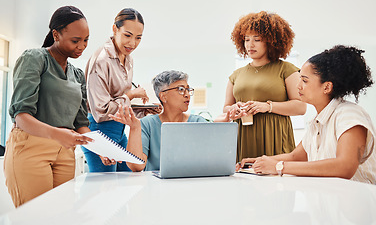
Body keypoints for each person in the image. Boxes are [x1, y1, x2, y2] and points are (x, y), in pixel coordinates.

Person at [237, 45, 376, 184]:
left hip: (358, 200)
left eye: (304, 80)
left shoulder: (349, 115)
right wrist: (260, 161)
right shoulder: (317, 122)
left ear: (327, 87)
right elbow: (295, 157)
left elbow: (344, 167)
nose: (298, 86)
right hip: (332, 200)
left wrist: (278, 166)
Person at [4, 6, 92, 207]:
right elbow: (21, 116)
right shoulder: (35, 59)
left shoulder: (77, 74)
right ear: (56, 35)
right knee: (36, 216)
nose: (82, 46)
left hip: (65, 151)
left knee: (62, 215)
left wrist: (100, 149)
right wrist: (58, 134)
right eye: (75, 40)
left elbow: (80, 123)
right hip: (31, 147)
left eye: (86, 40)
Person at [109, 70, 234, 171]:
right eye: (180, 89)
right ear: (163, 96)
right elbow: (136, 166)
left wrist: (219, 124)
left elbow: (214, 157)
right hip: (155, 189)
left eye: (188, 89)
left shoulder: (197, 122)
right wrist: (135, 128)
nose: (187, 94)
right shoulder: (147, 124)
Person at [224, 11, 306, 161]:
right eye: (246, 39)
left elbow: (301, 107)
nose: (250, 45)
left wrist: (267, 106)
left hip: (275, 137)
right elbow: (226, 108)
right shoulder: (236, 74)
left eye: (257, 39)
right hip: (242, 137)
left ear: (271, 41)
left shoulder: (286, 69)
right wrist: (234, 109)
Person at [83, 8, 150, 172]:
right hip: (100, 130)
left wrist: (144, 110)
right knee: (104, 189)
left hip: (119, 130)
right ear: (115, 29)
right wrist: (132, 94)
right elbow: (102, 111)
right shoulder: (101, 60)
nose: (132, 43)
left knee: (131, 180)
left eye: (138, 38)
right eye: (127, 35)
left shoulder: (128, 58)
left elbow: (118, 102)